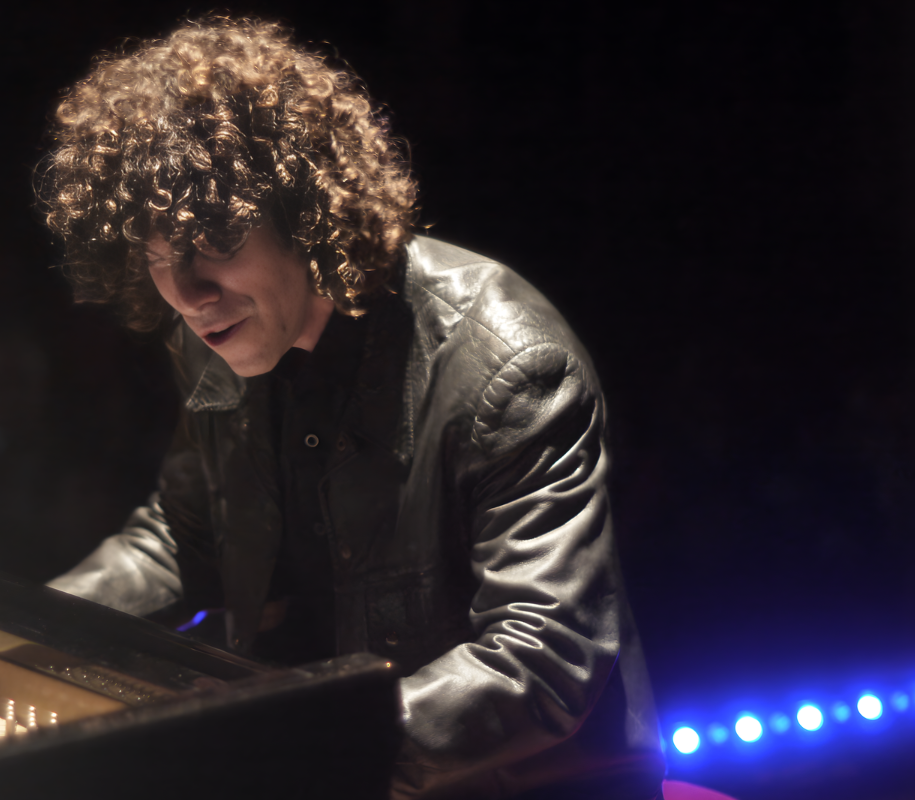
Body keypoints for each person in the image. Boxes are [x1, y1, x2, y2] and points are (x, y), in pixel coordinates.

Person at [40, 17, 665, 800]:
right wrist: (18, 628)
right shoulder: (218, 333)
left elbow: (543, 659)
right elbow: (184, 535)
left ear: (304, 210)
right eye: (161, 256)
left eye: (215, 242)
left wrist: (308, 747)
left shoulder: (509, 364)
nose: (189, 294)